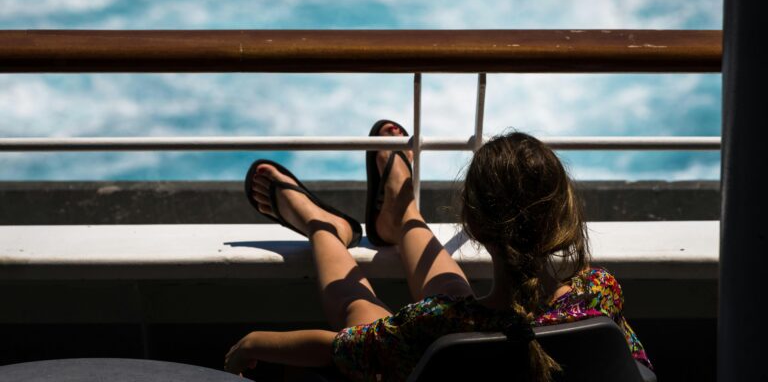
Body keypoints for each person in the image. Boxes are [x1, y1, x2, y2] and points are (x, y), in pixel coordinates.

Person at [224, 120, 651, 381]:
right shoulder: (598, 294)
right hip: (465, 321)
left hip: (435, 333)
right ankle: (399, 211)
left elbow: (343, 348)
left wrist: (253, 343)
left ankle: (324, 227)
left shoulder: (441, 326)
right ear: (566, 216)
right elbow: (638, 365)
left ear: (473, 226)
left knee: (363, 314)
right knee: (449, 296)